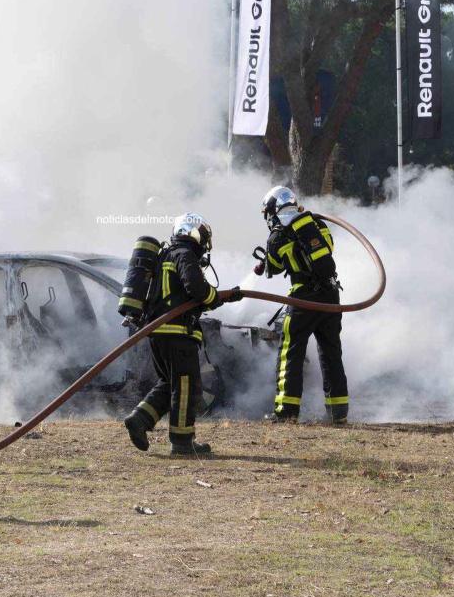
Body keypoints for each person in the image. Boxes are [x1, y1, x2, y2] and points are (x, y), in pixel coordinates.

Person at [123, 212, 242, 456]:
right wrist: (215, 296)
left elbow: (189, 297)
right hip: (177, 333)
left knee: (170, 384)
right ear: (195, 234)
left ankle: (139, 419)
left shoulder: (167, 254)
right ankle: (182, 442)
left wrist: (224, 298)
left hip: (159, 332)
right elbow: (197, 289)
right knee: (187, 386)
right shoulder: (184, 254)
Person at [253, 186, 348, 424]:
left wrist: (269, 259)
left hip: (302, 298)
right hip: (330, 296)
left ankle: (286, 412)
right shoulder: (316, 223)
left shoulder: (277, 235)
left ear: (273, 210)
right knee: (331, 352)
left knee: (291, 352)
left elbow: (275, 266)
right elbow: (329, 248)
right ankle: (338, 413)